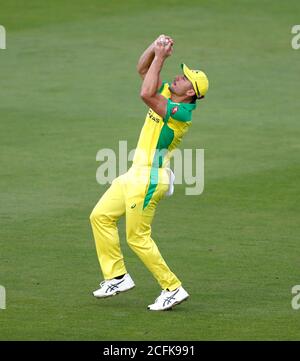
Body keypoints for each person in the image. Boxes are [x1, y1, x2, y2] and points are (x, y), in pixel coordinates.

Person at [90, 35, 209, 311]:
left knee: (137, 237)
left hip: (149, 178)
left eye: (185, 78)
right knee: (100, 217)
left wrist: (162, 57)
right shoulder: (168, 93)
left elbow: (145, 94)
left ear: (191, 92)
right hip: (135, 174)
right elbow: (143, 71)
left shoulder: (181, 113)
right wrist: (154, 49)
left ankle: (173, 287)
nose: (179, 77)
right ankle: (116, 276)